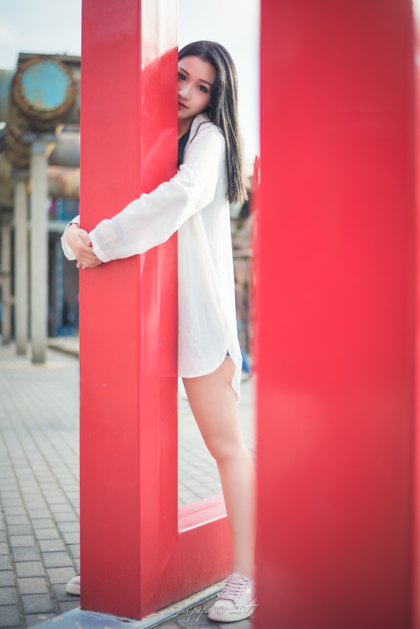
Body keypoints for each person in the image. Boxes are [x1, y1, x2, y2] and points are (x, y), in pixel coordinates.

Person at [61, 40, 257, 623]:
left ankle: (247, 574)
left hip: (198, 318)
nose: (186, 92)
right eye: (181, 76)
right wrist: (77, 233)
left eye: (202, 87)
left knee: (225, 445)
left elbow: (180, 195)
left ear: (216, 99)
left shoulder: (210, 139)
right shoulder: (152, 135)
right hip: (145, 313)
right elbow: (119, 194)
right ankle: (118, 563)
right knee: (126, 442)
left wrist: (100, 242)